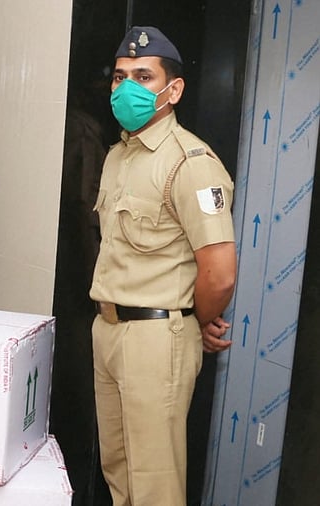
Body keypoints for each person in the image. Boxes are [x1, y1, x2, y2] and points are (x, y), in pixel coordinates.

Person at [89, 26, 237, 505]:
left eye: (143, 76)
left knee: (154, 484)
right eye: (119, 76)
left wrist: (197, 320)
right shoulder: (118, 156)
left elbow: (220, 271)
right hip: (109, 328)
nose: (126, 87)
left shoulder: (190, 163)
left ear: (172, 91)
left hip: (155, 340)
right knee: (119, 472)